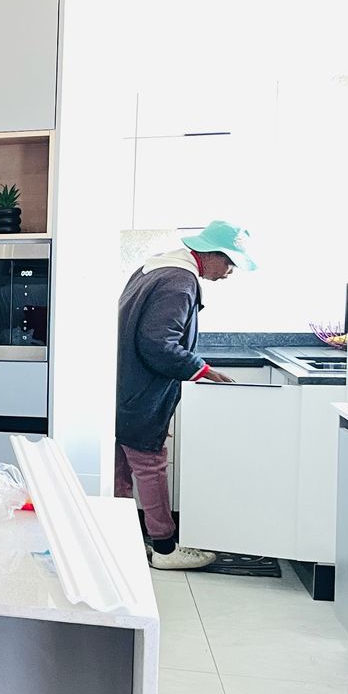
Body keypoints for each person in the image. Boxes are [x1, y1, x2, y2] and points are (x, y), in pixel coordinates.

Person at [116, 220, 257, 570]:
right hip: (142, 392)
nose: (229, 273)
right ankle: (165, 549)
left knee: (120, 467)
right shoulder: (180, 281)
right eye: (230, 263)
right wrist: (202, 369)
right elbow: (158, 344)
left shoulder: (155, 268)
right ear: (211, 254)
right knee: (150, 465)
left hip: (122, 386)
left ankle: (119, 541)